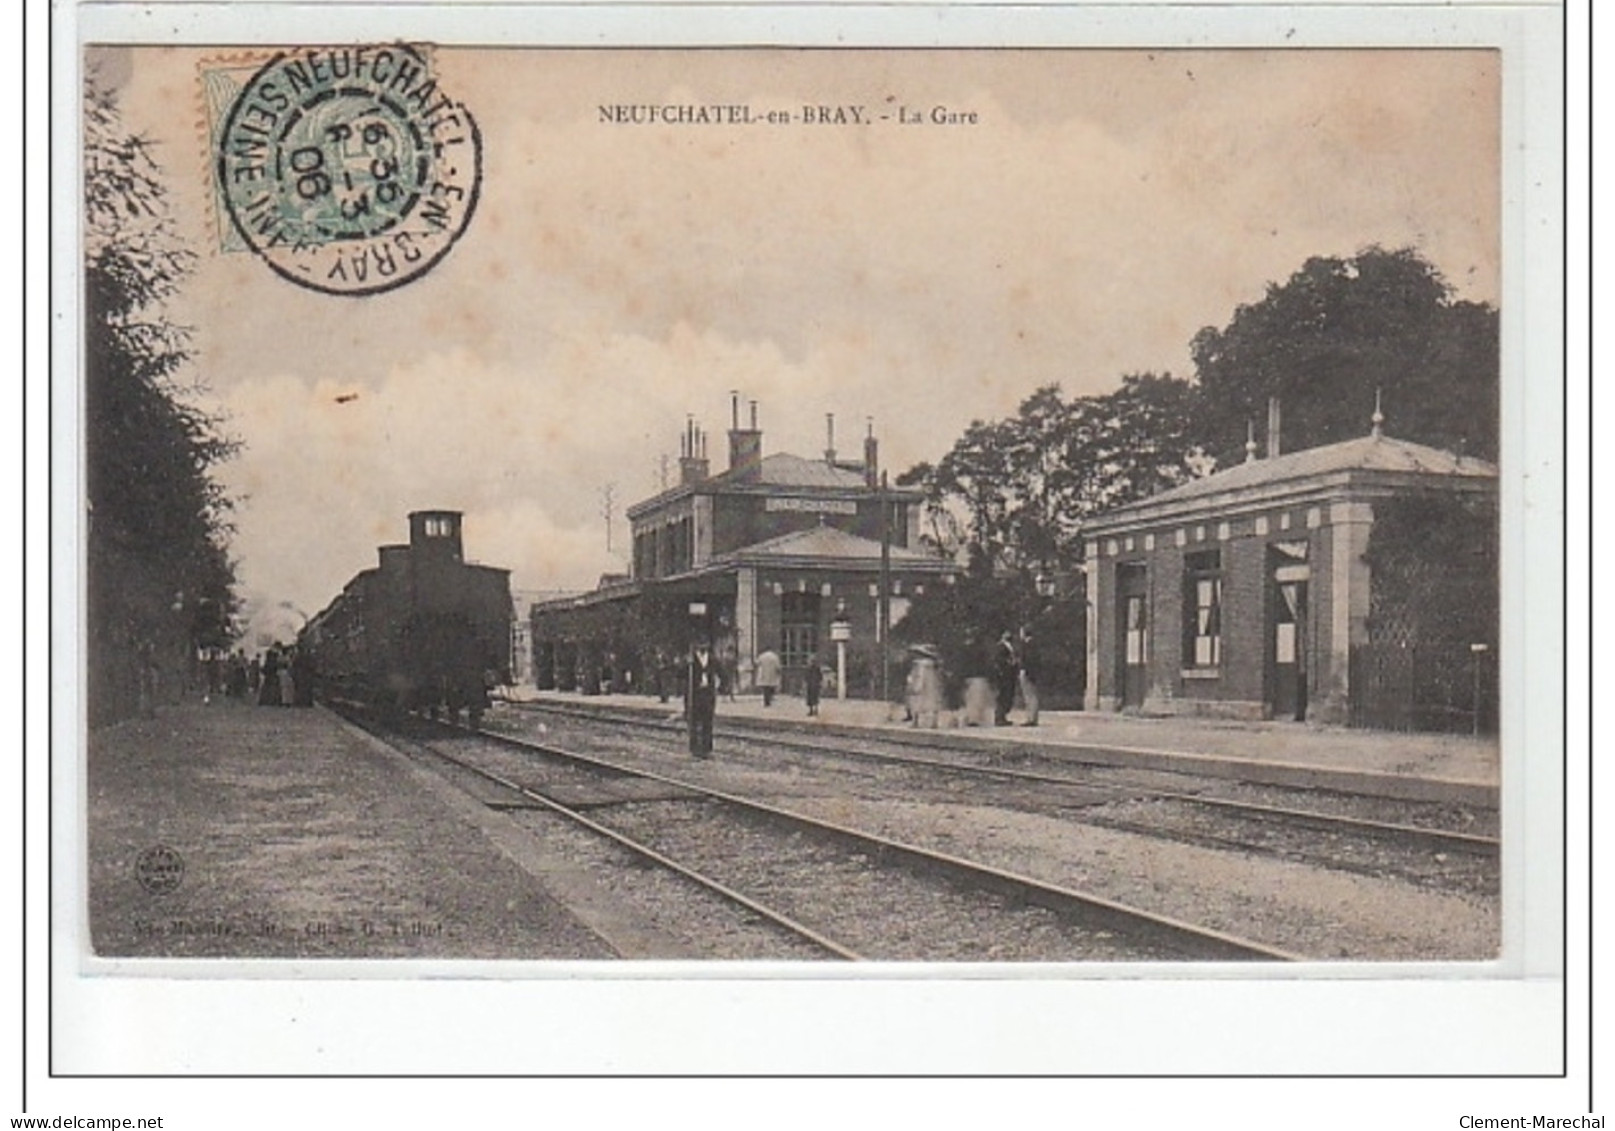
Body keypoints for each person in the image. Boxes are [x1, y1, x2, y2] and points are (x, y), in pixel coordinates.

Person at [687, 638, 720, 758]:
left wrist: (721, 686)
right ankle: (694, 748)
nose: (702, 646)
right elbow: (680, 674)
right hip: (694, 694)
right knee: (694, 721)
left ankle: (707, 748)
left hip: (708, 693)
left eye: (705, 644)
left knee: (708, 721)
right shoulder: (691, 660)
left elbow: (721, 672)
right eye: (700, 644)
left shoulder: (712, 659)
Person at [906, 645, 944, 728]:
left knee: (917, 703)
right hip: (932, 687)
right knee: (932, 703)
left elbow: (919, 676)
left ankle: (915, 722)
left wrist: (916, 685)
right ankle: (933, 722)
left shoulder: (919, 665)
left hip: (921, 687)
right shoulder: (934, 665)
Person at [991, 630, 1019, 726]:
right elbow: (998, 660)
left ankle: (1003, 716)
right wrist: (1009, 663)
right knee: (1003, 696)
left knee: (1008, 696)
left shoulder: (1010, 647)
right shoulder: (1000, 647)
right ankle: (999, 717)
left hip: (1010, 675)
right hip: (1003, 675)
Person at [1017, 627, 1041, 726]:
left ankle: (1031, 718)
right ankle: (1032, 718)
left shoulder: (1029, 645)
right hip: (1031, 673)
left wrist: (1024, 670)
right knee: (1031, 696)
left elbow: (1029, 660)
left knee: (1029, 696)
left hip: (1027, 673)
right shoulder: (1032, 644)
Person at [803, 652, 823, 718]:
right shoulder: (812, 668)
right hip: (812, 684)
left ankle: (814, 710)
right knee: (812, 698)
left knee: (813, 697)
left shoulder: (813, 668)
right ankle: (813, 710)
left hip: (813, 684)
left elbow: (820, 676)